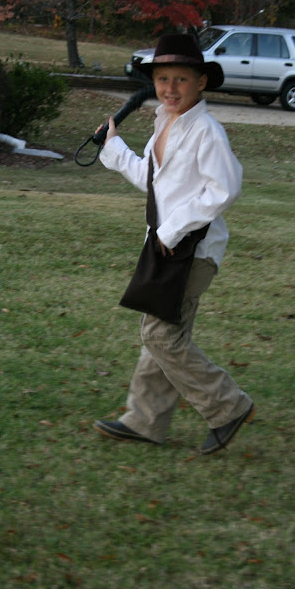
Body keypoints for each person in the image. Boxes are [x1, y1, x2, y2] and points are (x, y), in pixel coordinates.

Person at [93, 33, 255, 455]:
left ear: (201, 82)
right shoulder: (165, 123)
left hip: (193, 252)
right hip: (166, 248)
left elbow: (225, 188)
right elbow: (153, 180)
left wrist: (173, 229)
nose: (170, 88)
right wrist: (113, 147)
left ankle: (229, 406)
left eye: (181, 79)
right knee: (163, 331)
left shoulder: (206, 131)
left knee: (161, 336)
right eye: (162, 78)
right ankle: (145, 421)